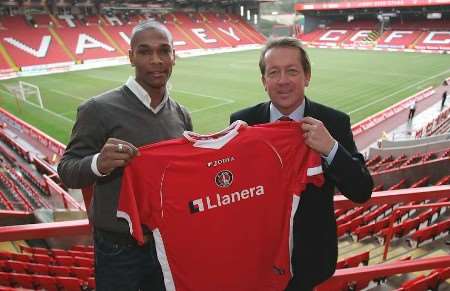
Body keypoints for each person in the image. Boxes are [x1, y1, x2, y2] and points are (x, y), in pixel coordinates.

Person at [230, 37, 373, 291]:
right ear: (264, 82)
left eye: (292, 71)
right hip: (257, 259)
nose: (283, 80)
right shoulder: (242, 122)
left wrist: (331, 149)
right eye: (274, 72)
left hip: (311, 262)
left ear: (307, 76)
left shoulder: (334, 122)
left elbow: (362, 190)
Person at [58, 20, 192, 291]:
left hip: (166, 245)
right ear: (131, 56)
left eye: (164, 51)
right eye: (145, 51)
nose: (156, 60)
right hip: (118, 249)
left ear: (174, 57)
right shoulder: (97, 109)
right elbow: (67, 170)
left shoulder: (181, 115)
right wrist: (99, 163)